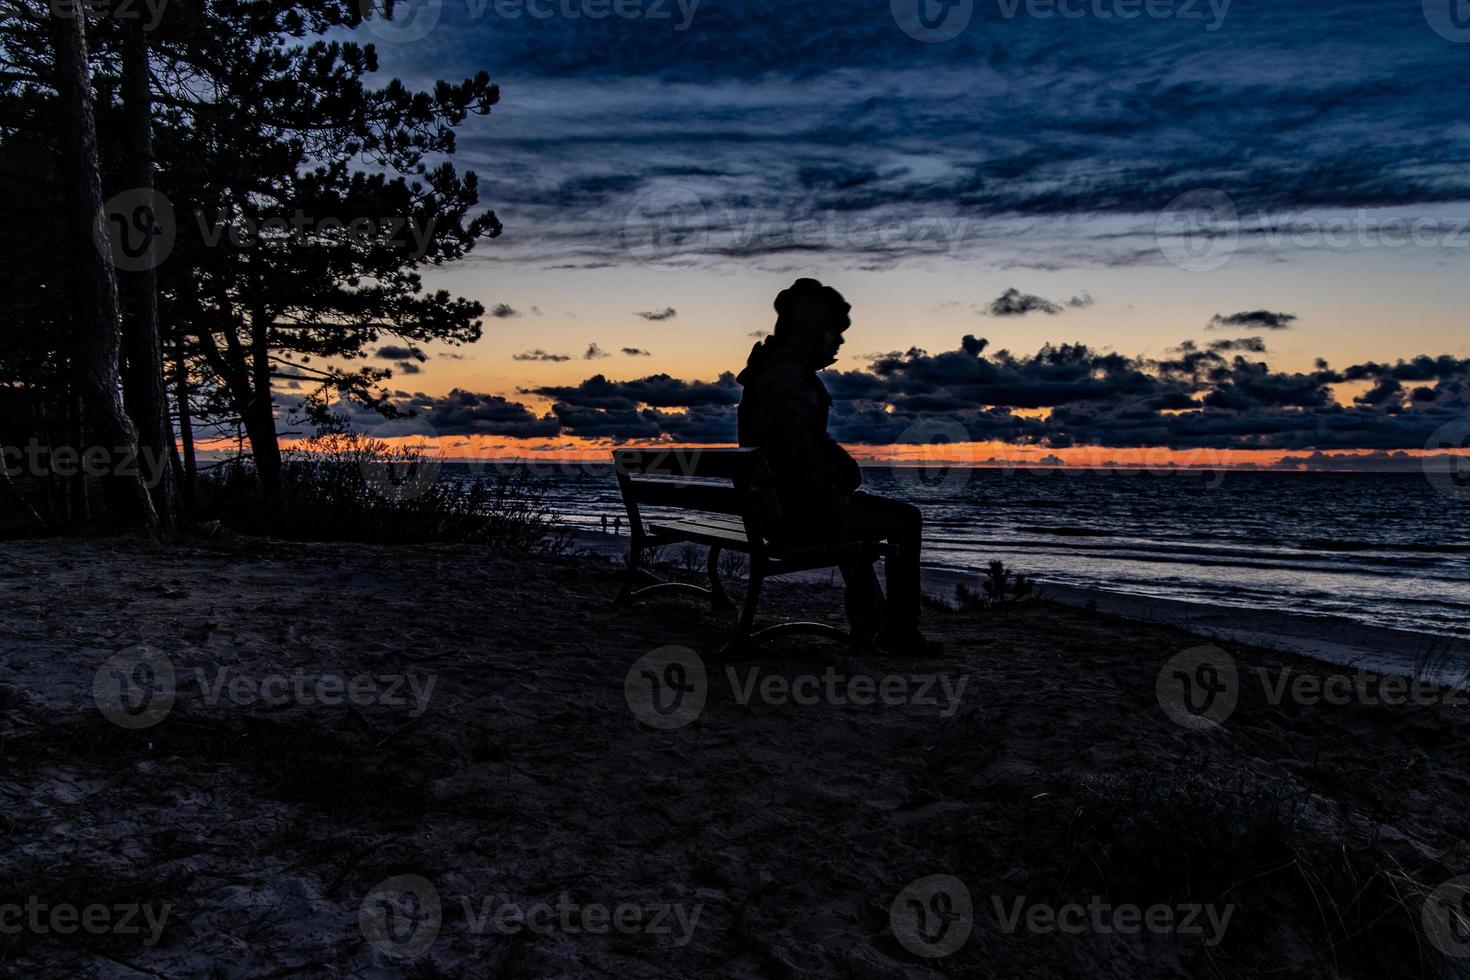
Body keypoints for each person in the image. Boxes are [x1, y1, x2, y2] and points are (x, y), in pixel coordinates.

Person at [735, 278, 942, 657]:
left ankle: (875, 618)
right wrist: (841, 476)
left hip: (771, 511)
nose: (840, 343)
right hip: (797, 517)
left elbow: (773, 442)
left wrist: (839, 469)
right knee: (906, 520)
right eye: (834, 333)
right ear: (811, 331)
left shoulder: (766, 372)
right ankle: (900, 629)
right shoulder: (788, 377)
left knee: (853, 515)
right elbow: (800, 450)